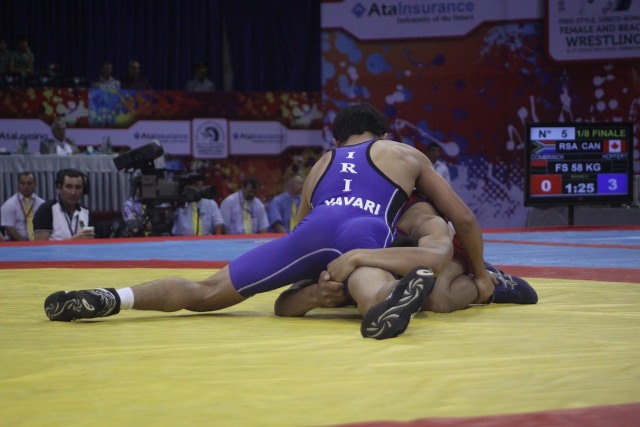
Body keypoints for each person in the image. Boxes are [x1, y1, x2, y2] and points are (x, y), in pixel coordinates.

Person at [43, 103, 493, 341]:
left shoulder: (322, 163)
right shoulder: (403, 153)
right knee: (366, 279)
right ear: (382, 133)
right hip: (365, 230)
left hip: (309, 234)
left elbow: (300, 229)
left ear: (338, 139)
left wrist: (309, 285)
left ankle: (114, 297)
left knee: (205, 290)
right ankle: (383, 303)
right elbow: (465, 219)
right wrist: (480, 274)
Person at [274, 197, 537, 318]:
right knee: (375, 291)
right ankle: (392, 293)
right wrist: (316, 296)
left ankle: (491, 283)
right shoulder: (332, 227)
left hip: (438, 252)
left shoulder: (416, 212)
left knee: (437, 298)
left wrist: (479, 273)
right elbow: (283, 304)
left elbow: (456, 230)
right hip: (381, 262)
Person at [33, 168, 94, 241]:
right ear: (59, 187)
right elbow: (40, 246)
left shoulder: (85, 212)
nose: (73, 192)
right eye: (69, 187)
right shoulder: (46, 210)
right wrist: (73, 240)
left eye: (78, 187)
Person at [0, 171, 45, 241]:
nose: (26, 186)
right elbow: (9, 229)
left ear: (35, 184)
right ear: (18, 184)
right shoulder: (9, 205)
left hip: (37, 242)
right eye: (23, 183)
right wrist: (26, 244)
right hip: (15, 243)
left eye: (29, 183)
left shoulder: (42, 204)